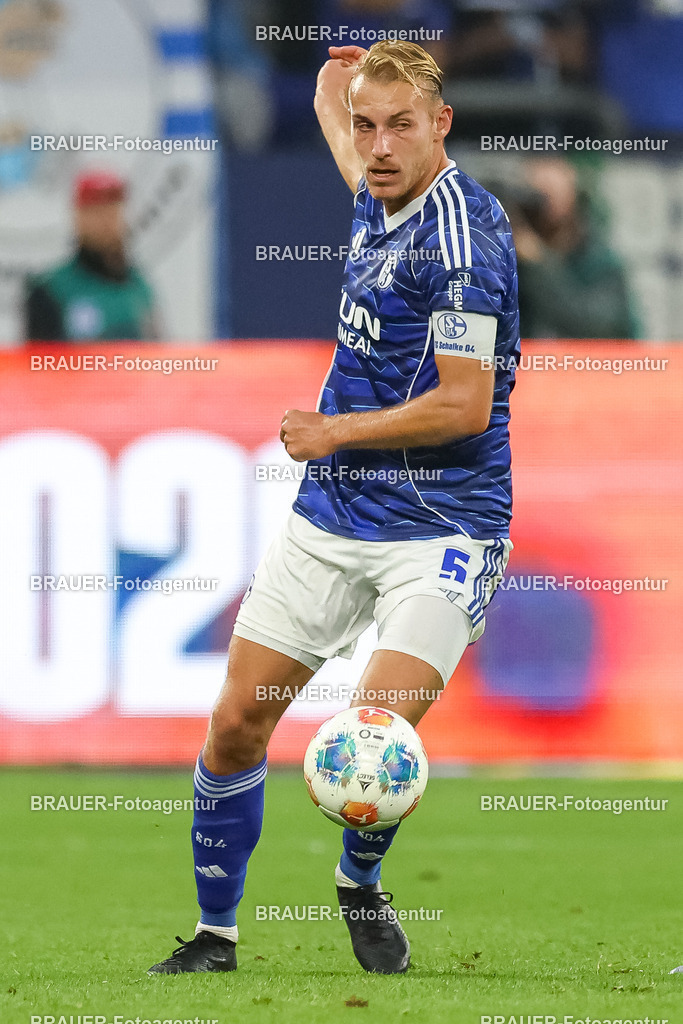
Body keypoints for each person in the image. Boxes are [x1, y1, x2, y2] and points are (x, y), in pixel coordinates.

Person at [149, 40, 519, 977]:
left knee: (369, 742)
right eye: (366, 125)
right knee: (236, 721)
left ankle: (359, 879)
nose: (379, 147)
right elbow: (355, 150)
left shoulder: (463, 242)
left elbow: (463, 404)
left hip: (442, 526)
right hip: (332, 522)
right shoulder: (375, 184)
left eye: (401, 125)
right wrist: (328, 94)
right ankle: (215, 938)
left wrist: (331, 432)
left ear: (442, 126)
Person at [508, 158, 640, 339]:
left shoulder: (598, 259)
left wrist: (536, 261)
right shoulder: (511, 257)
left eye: (553, 193)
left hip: (592, 364)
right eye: (537, 196)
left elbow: (593, 325)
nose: (545, 206)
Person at [24, 170, 157, 342]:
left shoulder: (138, 285)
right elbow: (38, 362)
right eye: (97, 211)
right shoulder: (51, 290)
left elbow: (157, 353)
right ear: (78, 217)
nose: (107, 221)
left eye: (113, 210)